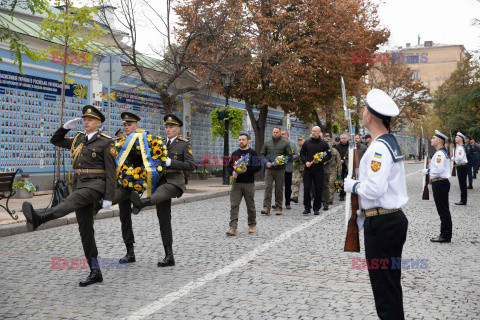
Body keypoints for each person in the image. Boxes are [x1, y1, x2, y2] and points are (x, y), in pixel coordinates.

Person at [22, 105, 116, 287]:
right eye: (84, 119)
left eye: (90, 119)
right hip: (79, 184)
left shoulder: (106, 141)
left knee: (71, 201)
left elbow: (112, 171)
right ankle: (95, 271)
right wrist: (65, 127)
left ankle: (41, 218)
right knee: (85, 230)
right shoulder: (79, 139)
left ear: (98, 123)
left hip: (96, 184)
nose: (86, 122)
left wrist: (109, 197)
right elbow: (55, 141)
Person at [344, 89, 409, 320]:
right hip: (389, 220)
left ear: (370, 117)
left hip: (382, 223)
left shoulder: (379, 148)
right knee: (390, 285)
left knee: (384, 289)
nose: (362, 114)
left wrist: (351, 185)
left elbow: (374, 189)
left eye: (364, 110)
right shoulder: (389, 142)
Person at [130, 114, 195, 267]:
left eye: (171, 127)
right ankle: (169, 255)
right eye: (166, 127)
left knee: (163, 192)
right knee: (163, 219)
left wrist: (171, 162)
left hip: (175, 182)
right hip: (159, 182)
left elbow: (191, 165)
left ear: (178, 129)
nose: (168, 129)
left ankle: (142, 203)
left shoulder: (183, 145)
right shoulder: (158, 143)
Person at [94, 112, 142, 264]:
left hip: (133, 183)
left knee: (118, 205)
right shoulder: (118, 141)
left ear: (136, 125)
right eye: (125, 125)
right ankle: (130, 252)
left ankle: (99, 205)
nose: (127, 127)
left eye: (130, 125)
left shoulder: (143, 141)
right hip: (121, 182)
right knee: (124, 217)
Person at [226, 133, 261, 236]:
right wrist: (232, 172)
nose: (241, 141)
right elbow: (229, 167)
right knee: (234, 205)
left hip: (248, 183)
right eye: (239, 140)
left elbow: (258, 167)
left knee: (250, 205)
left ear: (248, 141)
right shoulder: (235, 153)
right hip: (236, 184)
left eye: (243, 140)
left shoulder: (252, 153)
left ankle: (252, 225)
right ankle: (233, 227)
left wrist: (246, 171)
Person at [423, 130, 452, 243]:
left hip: (439, 183)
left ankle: (445, 235)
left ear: (440, 140)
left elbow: (437, 170)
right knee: (443, 210)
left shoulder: (440, 153)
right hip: (440, 183)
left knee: (443, 210)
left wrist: (427, 171)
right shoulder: (440, 152)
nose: (431, 140)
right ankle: (445, 234)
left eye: (434, 138)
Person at [260, 127, 293, 215]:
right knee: (268, 188)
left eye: (277, 132)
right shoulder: (267, 143)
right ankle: (266, 207)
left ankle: (279, 207)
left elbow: (290, 156)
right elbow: (262, 155)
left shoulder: (285, 143)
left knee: (279, 189)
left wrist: (281, 160)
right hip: (269, 170)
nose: (275, 133)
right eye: (274, 132)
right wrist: (266, 162)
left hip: (280, 170)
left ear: (280, 133)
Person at [300, 126, 331, 215]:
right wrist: (305, 162)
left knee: (318, 189)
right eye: (312, 131)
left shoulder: (324, 143)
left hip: (319, 169)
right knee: (306, 188)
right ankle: (307, 207)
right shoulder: (306, 142)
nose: (313, 132)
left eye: (315, 131)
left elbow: (329, 155)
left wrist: (321, 160)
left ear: (319, 133)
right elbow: (302, 154)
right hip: (308, 169)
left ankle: (316, 208)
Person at [321, 137, 341, 210]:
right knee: (325, 184)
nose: (327, 143)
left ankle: (330, 199)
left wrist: (339, 171)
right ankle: (325, 199)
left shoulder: (335, 151)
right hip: (324, 169)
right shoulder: (322, 150)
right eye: (325, 141)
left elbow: (338, 161)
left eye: (328, 141)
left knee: (330, 183)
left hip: (332, 169)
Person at [281, 129, 297, 210]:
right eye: (281, 134)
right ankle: (278, 203)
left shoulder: (292, 143)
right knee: (278, 186)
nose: (282, 136)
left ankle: (287, 203)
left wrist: (289, 158)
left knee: (288, 186)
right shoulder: (278, 143)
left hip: (288, 167)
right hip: (279, 168)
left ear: (287, 135)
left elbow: (297, 154)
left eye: (283, 134)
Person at [453, 132, 468, 205]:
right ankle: (463, 199)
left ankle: (463, 200)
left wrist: (454, 159)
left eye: (457, 137)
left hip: (461, 166)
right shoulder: (460, 147)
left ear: (461, 138)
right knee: (462, 183)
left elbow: (459, 158)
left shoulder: (460, 148)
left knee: (462, 184)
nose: (455, 138)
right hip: (461, 166)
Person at [334, 134, 349, 201]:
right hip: (340, 166)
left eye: (344, 138)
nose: (343, 139)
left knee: (349, 179)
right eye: (342, 138)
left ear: (347, 139)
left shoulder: (350, 146)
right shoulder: (337, 147)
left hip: (348, 165)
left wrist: (345, 160)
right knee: (341, 180)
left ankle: (350, 193)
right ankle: (341, 194)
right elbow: (335, 156)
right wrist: (339, 161)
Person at [291, 136, 305, 203]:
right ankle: (295, 196)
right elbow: (292, 156)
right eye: (299, 140)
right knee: (296, 181)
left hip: (305, 167)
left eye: (301, 140)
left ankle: (309, 195)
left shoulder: (306, 147)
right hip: (297, 167)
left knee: (307, 183)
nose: (300, 141)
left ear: (304, 140)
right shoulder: (295, 148)